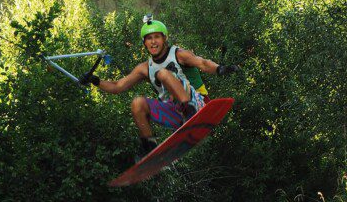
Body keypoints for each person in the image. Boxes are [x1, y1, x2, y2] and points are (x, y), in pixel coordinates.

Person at [80, 16, 240, 158]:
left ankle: (189, 112)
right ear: (144, 43)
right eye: (149, 38)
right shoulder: (145, 68)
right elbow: (117, 86)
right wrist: (95, 80)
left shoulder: (179, 54)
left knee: (163, 74)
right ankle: (149, 146)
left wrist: (220, 69)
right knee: (137, 103)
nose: (153, 41)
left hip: (198, 104)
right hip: (174, 113)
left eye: (157, 37)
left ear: (164, 39)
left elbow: (203, 63)